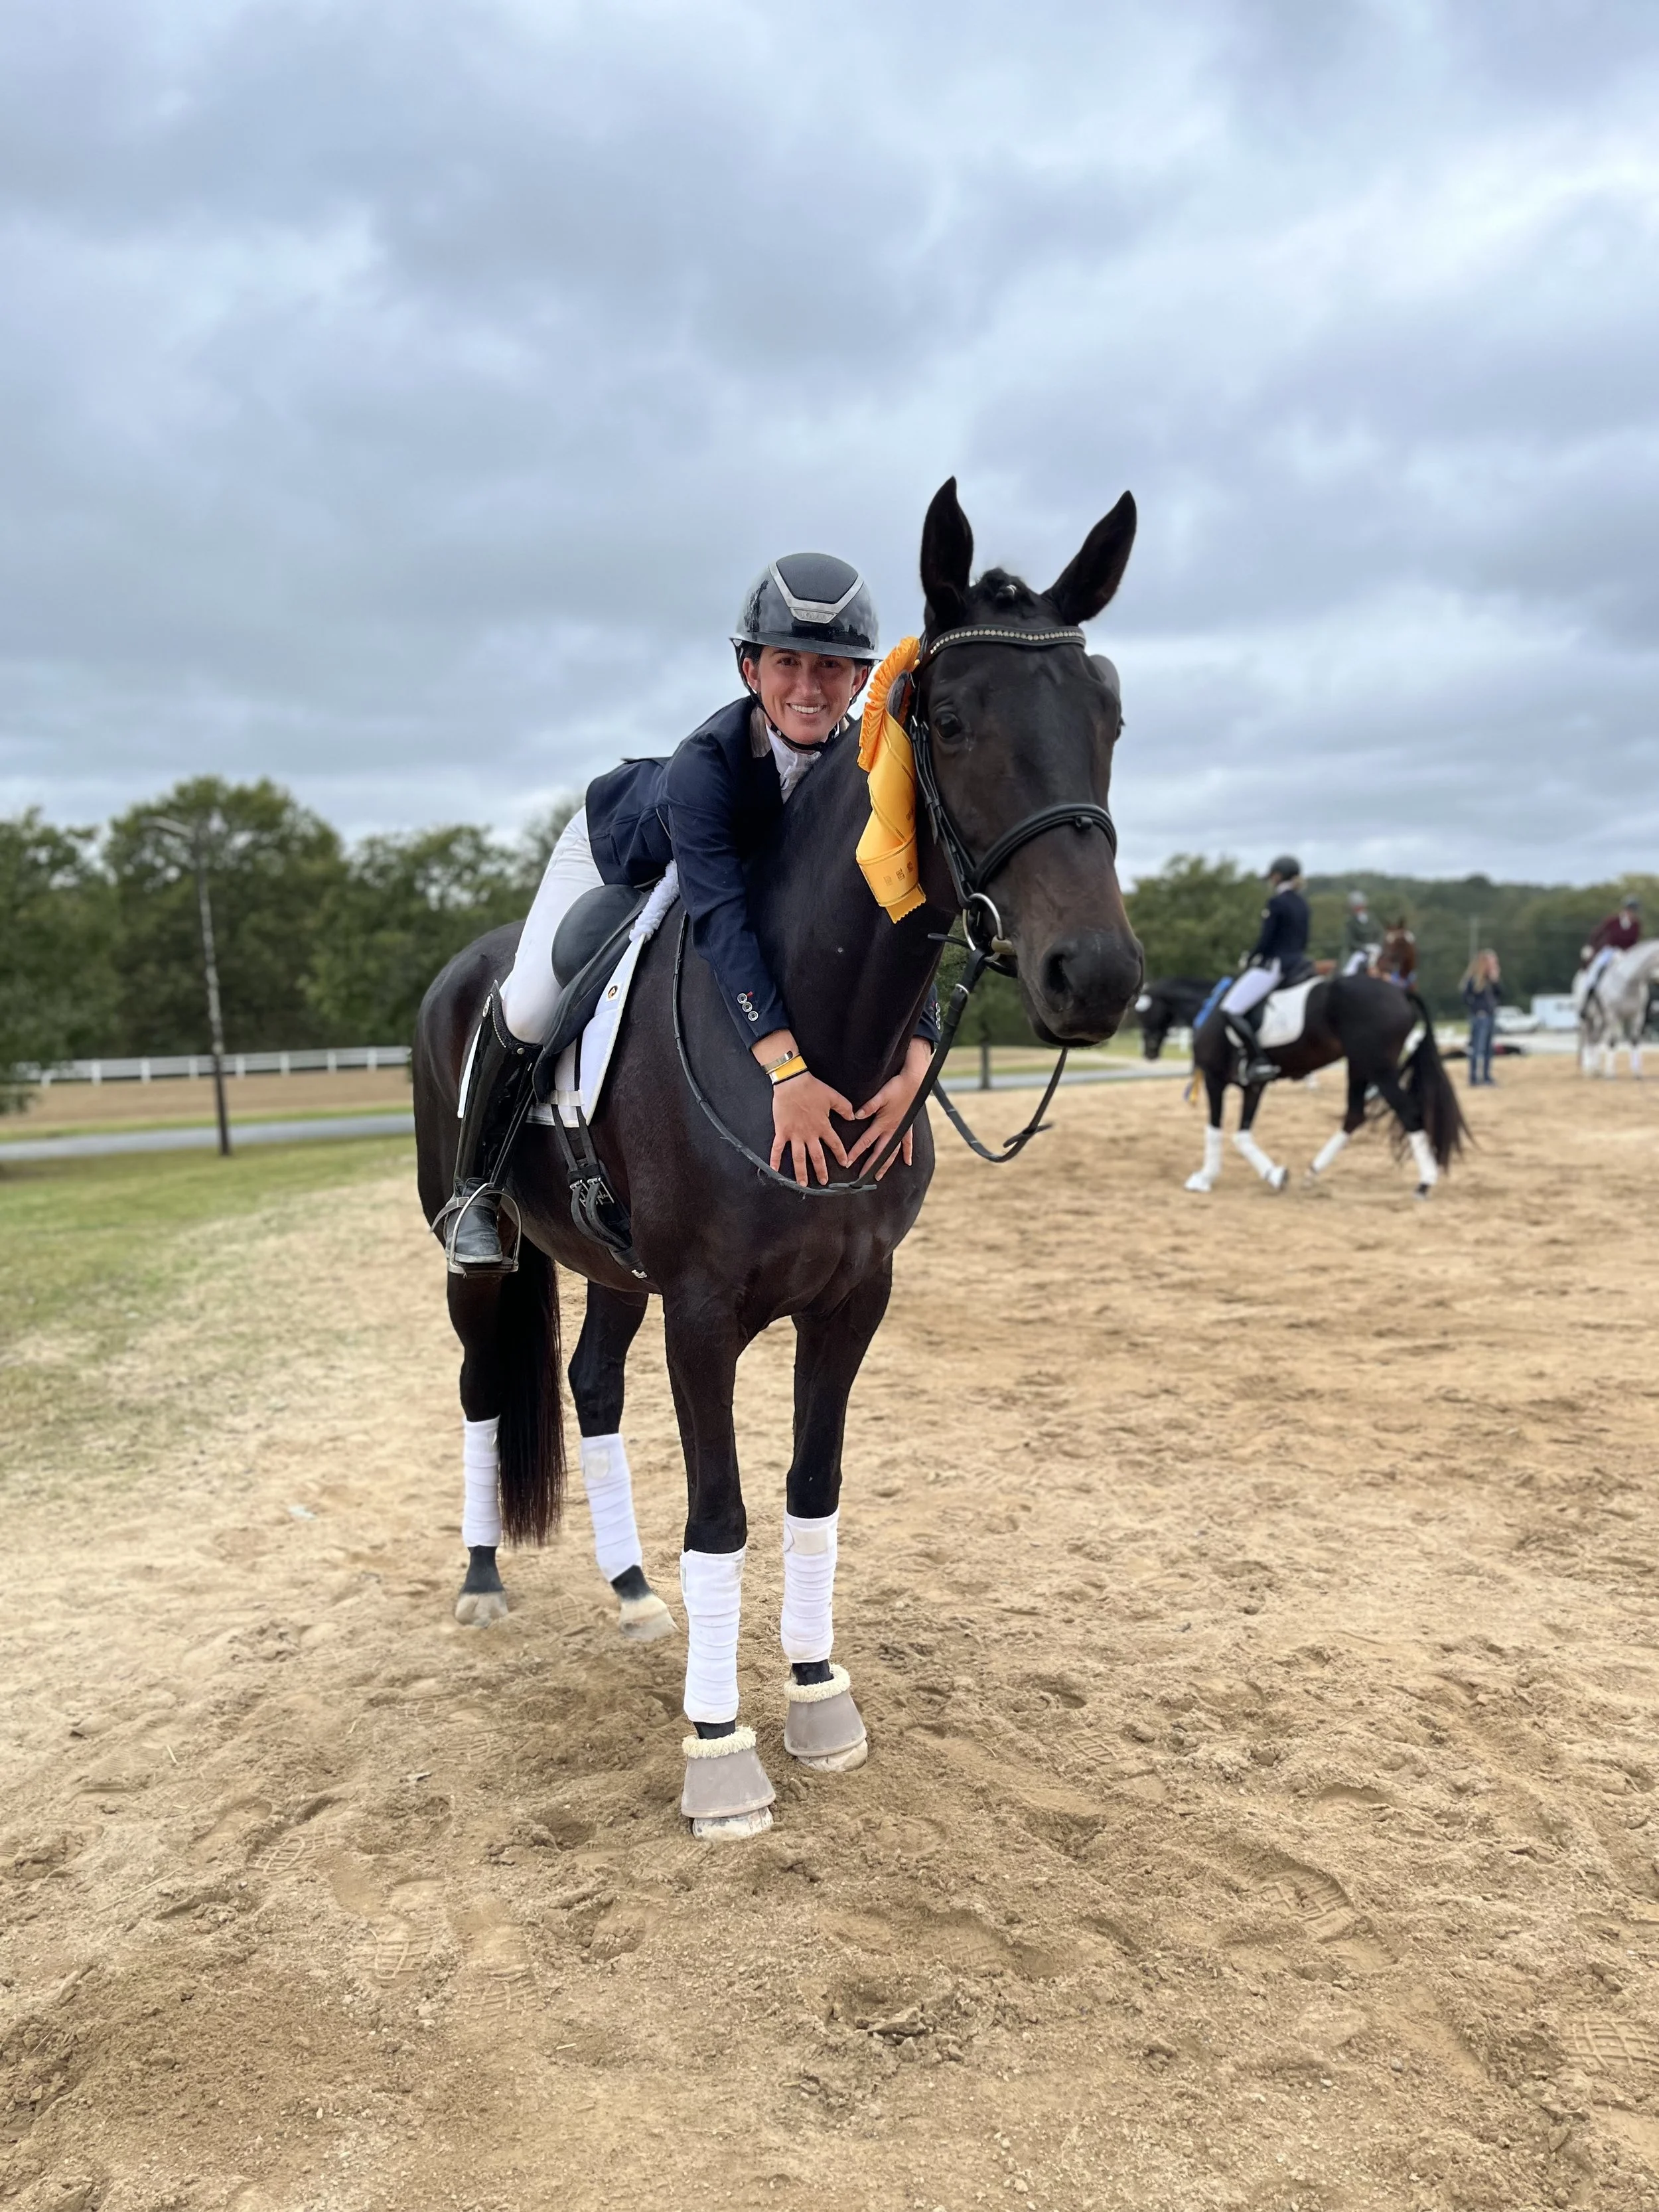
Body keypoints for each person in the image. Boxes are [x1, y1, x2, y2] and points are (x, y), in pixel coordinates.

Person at [440, 552, 939, 1273]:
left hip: (736, 870)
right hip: (621, 849)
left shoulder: (866, 770)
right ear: (749, 670)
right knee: (529, 1005)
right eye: (786, 662)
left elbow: (895, 908)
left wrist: (917, 1050)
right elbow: (720, 919)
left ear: (861, 679)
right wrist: (788, 1072)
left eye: (830, 667)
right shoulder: (708, 762)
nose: (807, 687)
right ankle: (474, 1190)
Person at [1220, 855, 1310, 1084]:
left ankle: (1258, 1060)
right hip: (1299, 963)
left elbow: (1267, 940)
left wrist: (1251, 957)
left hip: (1276, 966)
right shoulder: (1302, 903)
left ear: (1278, 876)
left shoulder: (1277, 903)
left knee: (1230, 1009)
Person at [1581, 893, 1642, 999]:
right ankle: (1590, 990)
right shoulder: (1613, 921)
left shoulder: (1636, 925)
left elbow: (1634, 942)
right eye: (1629, 910)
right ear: (1625, 909)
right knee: (1597, 966)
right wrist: (1590, 946)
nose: (1631, 913)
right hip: (1610, 950)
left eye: (1633, 911)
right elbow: (1598, 933)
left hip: (1625, 953)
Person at [1461, 948, 1501, 1086]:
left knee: (1488, 1048)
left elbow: (1500, 994)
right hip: (1480, 1017)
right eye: (1492, 962)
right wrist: (1476, 1009)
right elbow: (1465, 997)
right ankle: (1473, 1078)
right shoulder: (1473, 980)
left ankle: (1486, 1076)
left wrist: (1496, 981)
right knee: (1477, 1048)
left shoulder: (1491, 980)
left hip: (1491, 1016)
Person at [1340, 889, 1379, 976]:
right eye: (1356, 906)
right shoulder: (1350, 922)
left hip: (1375, 950)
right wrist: (1364, 948)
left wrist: (1378, 945)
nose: (1359, 908)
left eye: (1360, 905)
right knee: (1349, 972)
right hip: (1358, 952)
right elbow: (1350, 941)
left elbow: (1380, 933)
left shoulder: (1372, 918)